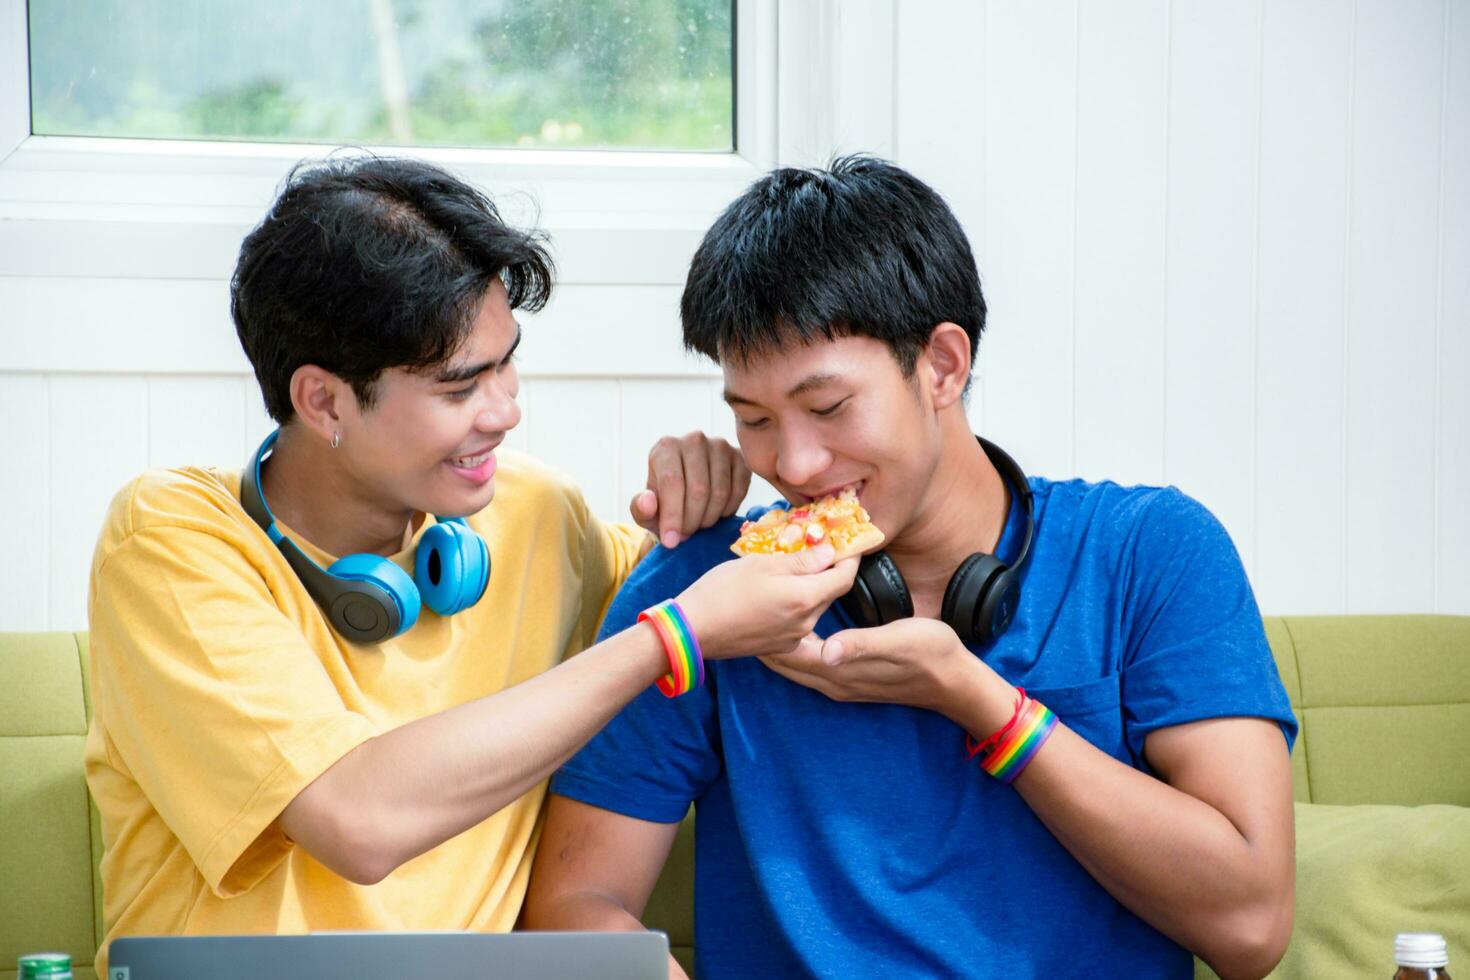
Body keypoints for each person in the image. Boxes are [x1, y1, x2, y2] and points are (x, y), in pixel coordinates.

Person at [524, 156, 1299, 979]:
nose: (793, 461)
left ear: (943, 365)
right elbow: (575, 910)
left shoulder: (1153, 552)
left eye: (827, 408)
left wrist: (983, 704)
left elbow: (1249, 928)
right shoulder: (708, 587)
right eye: (753, 418)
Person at [83, 154, 859, 971]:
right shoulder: (171, 538)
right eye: (460, 389)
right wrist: (667, 636)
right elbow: (358, 820)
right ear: (323, 401)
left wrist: (697, 495)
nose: (507, 410)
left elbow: (718, 587)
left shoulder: (534, 515)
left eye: (506, 363)